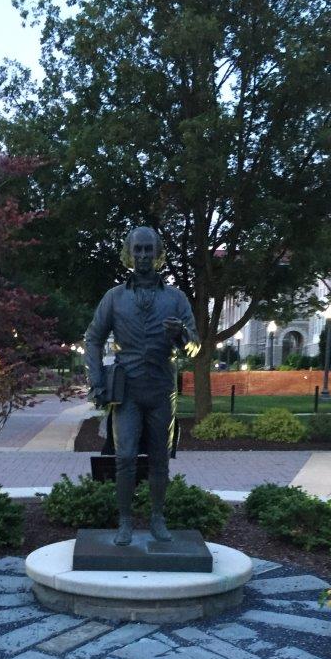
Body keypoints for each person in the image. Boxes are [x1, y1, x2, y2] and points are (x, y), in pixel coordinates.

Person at [84, 226, 200, 546]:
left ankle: (158, 518)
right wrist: (96, 382)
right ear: (129, 253)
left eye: (150, 249)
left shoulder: (175, 298)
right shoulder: (115, 298)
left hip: (162, 390)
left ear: (159, 253)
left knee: (160, 458)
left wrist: (181, 335)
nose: (145, 256)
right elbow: (93, 339)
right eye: (139, 250)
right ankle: (124, 521)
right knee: (125, 457)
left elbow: (195, 347)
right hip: (128, 391)